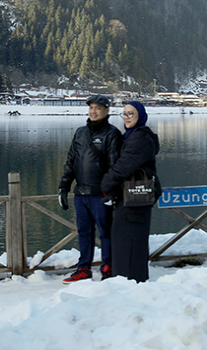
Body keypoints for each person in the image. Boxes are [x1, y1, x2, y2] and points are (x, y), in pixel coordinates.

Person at [58, 95, 122, 283]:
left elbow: (114, 166)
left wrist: (111, 192)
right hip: (81, 194)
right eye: (91, 107)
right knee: (84, 232)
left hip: (100, 195)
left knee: (106, 232)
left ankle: (108, 268)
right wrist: (64, 187)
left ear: (107, 111)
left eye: (98, 108)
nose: (94, 111)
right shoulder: (80, 133)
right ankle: (83, 269)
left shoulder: (112, 134)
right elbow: (71, 162)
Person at [101, 101, 161, 283]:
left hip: (135, 199)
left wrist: (104, 185)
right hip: (130, 197)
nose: (127, 118)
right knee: (126, 241)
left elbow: (124, 166)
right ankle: (130, 280)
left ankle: (130, 283)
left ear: (140, 116)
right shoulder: (130, 136)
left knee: (129, 242)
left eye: (131, 114)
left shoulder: (140, 138)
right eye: (124, 114)